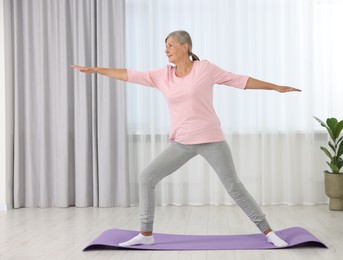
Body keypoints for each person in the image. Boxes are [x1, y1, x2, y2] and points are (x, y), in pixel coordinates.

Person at [72, 30, 301, 247]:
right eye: (165, 46)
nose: (166, 50)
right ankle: (146, 234)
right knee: (146, 178)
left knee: (234, 187)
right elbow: (130, 74)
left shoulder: (205, 69)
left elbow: (239, 80)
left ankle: (270, 233)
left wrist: (275, 87)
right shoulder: (163, 75)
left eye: (171, 45)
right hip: (182, 142)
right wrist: (97, 70)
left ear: (186, 46)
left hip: (211, 139)